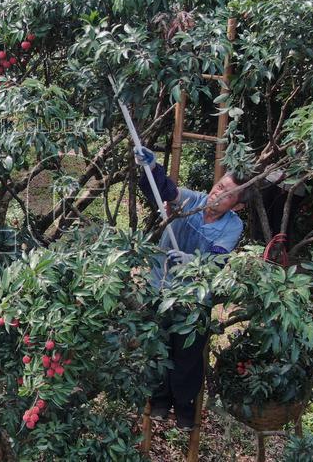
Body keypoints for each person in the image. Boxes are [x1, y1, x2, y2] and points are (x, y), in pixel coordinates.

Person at [133, 145, 250, 430]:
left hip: (195, 299)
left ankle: (185, 409)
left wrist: (191, 261)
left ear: (237, 205)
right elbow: (168, 192)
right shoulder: (193, 201)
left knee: (187, 355)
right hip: (161, 288)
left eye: (228, 194)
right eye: (219, 186)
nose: (218, 194)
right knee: (158, 345)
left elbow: (217, 261)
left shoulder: (232, 226)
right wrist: (152, 168)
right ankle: (159, 402)